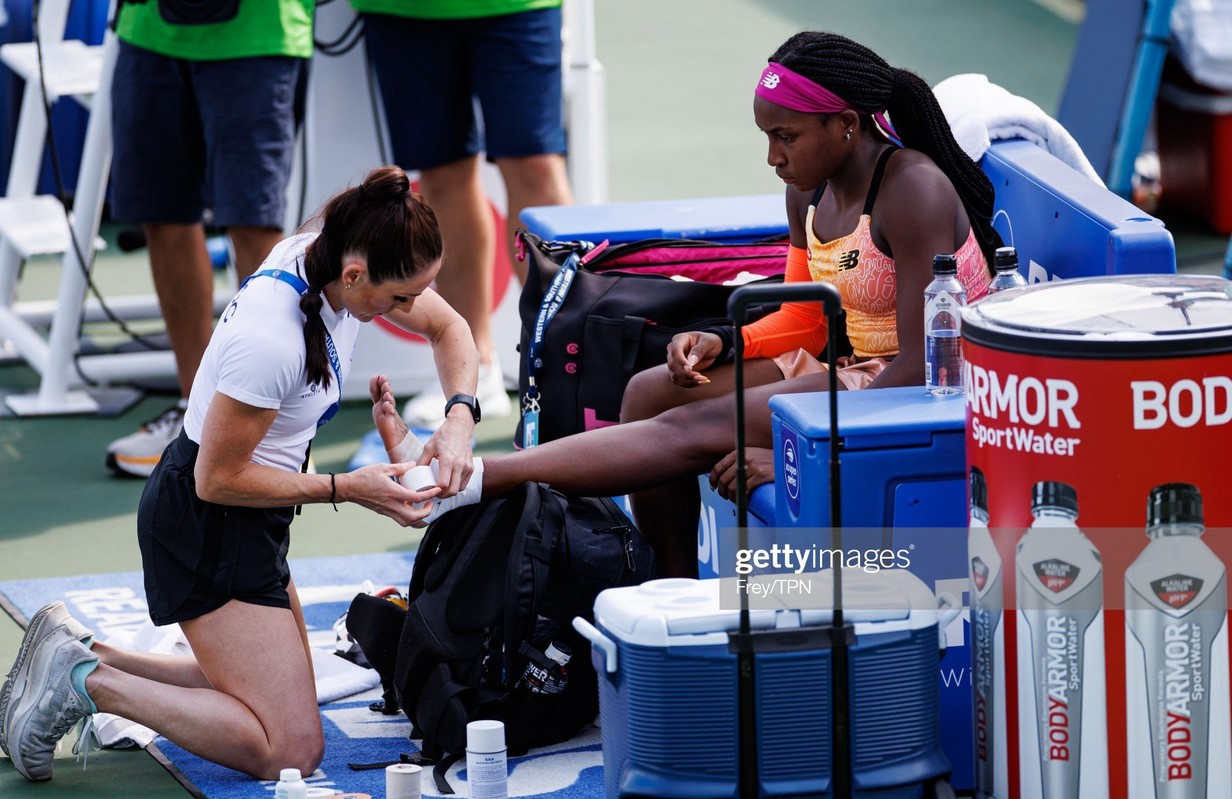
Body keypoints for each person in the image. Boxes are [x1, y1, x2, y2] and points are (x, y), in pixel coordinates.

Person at [371, 31, 1004, 579]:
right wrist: (723, 342)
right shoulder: (807, 190)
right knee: (651, 392)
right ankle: (669, 593)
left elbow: (927, 369)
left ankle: (470, 481)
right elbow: (808, 319)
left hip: (938, 389)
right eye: (767, 136)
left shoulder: (912, 189)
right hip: (861, 367)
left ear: (845, 123)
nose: (773, 156)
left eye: (786, 136)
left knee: (701, 428)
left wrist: (801, 448)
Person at [0, 167, 482, 782]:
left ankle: (80, 651)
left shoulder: (329, 249)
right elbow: (216, 479)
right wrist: (347, 487)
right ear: (356, 276)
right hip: (209, 526)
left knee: (265, 684)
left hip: (250, 520)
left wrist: (460, 417)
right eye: (399, 299)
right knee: (290, 751)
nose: (410, 311)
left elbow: (450, 329)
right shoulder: (271, 340)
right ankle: (84, 683)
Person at [104, 0, 314, 478]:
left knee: (253, 227)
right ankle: (193, 414)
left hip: (259, 35)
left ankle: (272, 427)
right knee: (162, 218)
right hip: (148, 33)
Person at [352, 0, 576, 428]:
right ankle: (473, 367)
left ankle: (569, 362)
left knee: (536, 167)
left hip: (517, 7)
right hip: (405, 11)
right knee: (440, 174)